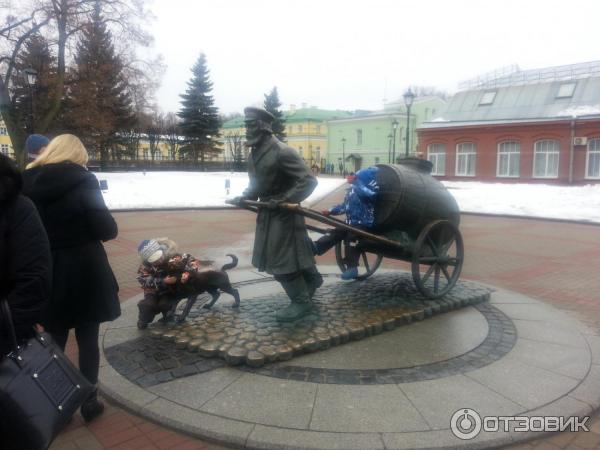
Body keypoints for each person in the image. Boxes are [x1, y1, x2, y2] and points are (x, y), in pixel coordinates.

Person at [22, 134, 120, 423]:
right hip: (85, 268)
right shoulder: (83, 180)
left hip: (47, 267)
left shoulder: (26, 182)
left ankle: (56, 407)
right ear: (78, 156)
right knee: (88, 338)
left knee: (54, 340)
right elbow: (106, 228)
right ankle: (89, 402)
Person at [231, 106, 322, 322]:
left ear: (263, 127)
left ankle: (301, 302)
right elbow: (257, 183)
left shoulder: (283, 151)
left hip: (285, 214)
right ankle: (312, 279)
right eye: (246, 125)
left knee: (280, 260)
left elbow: (308, 180)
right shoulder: (255, 152)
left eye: (250, 124)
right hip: (268, 212)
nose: (247, 129)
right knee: (285, 255)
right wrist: (244, 196)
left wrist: (284, 199)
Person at [0, 153, 52, 450]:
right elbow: (105, 228)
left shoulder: (16, 204)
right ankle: (88, 395)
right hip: (79, 269)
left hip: (5, 345)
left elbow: (33, 281)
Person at [313, 166, 380, 280]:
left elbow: (369, 196)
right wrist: (330, 211)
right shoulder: (352, 190)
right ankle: (317, 247)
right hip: (349, 222)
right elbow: (345, 206)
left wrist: (357, 182)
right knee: (336, 232)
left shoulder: (369, 190)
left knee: (352, 238)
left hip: (363, 223)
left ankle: (352, 267)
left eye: (358, 178)